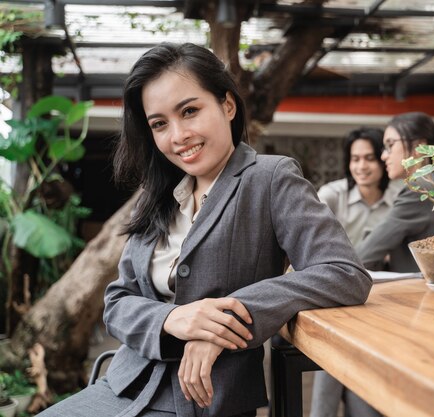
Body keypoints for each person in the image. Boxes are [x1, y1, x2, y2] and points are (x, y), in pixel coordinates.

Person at [38, 43, 372, 417]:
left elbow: (344, 274)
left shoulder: (270, 179)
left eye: (190, 111)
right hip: (123, 387)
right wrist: (171, 319)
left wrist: (224, 321)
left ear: (227, 105)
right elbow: (117, 302)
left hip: (205, 397)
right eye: (159, 124)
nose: (178, 135)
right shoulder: (155, 195)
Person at [310, 128, 401, 417]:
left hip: (384, 299)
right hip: (336, 296)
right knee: (337, 351)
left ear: (383, 161)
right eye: (355, 159)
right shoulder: (332, 195)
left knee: (365, 361)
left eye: (370, 158)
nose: (361, 166)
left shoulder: (400, 198)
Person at [356, 111, 434, 272]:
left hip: (418, 295)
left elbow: (361, 257)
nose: (383, 156)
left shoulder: (419, 191)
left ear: (420, 147)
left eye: (390, 145)